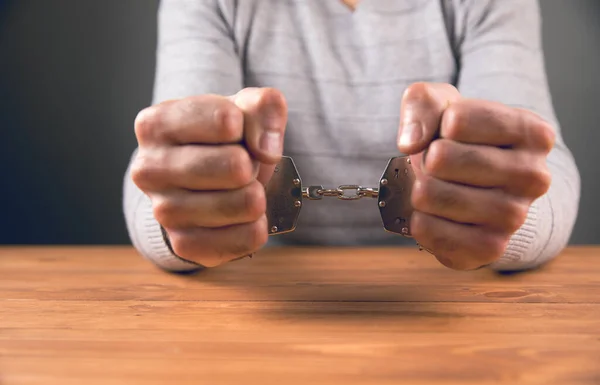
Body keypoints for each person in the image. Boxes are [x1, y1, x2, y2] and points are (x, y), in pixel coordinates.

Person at [123, 0, 580, 273]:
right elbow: (160, 161)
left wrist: (510, 216)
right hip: (257, 283)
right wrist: (176, 219)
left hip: (451, 291)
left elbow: (542, 162)